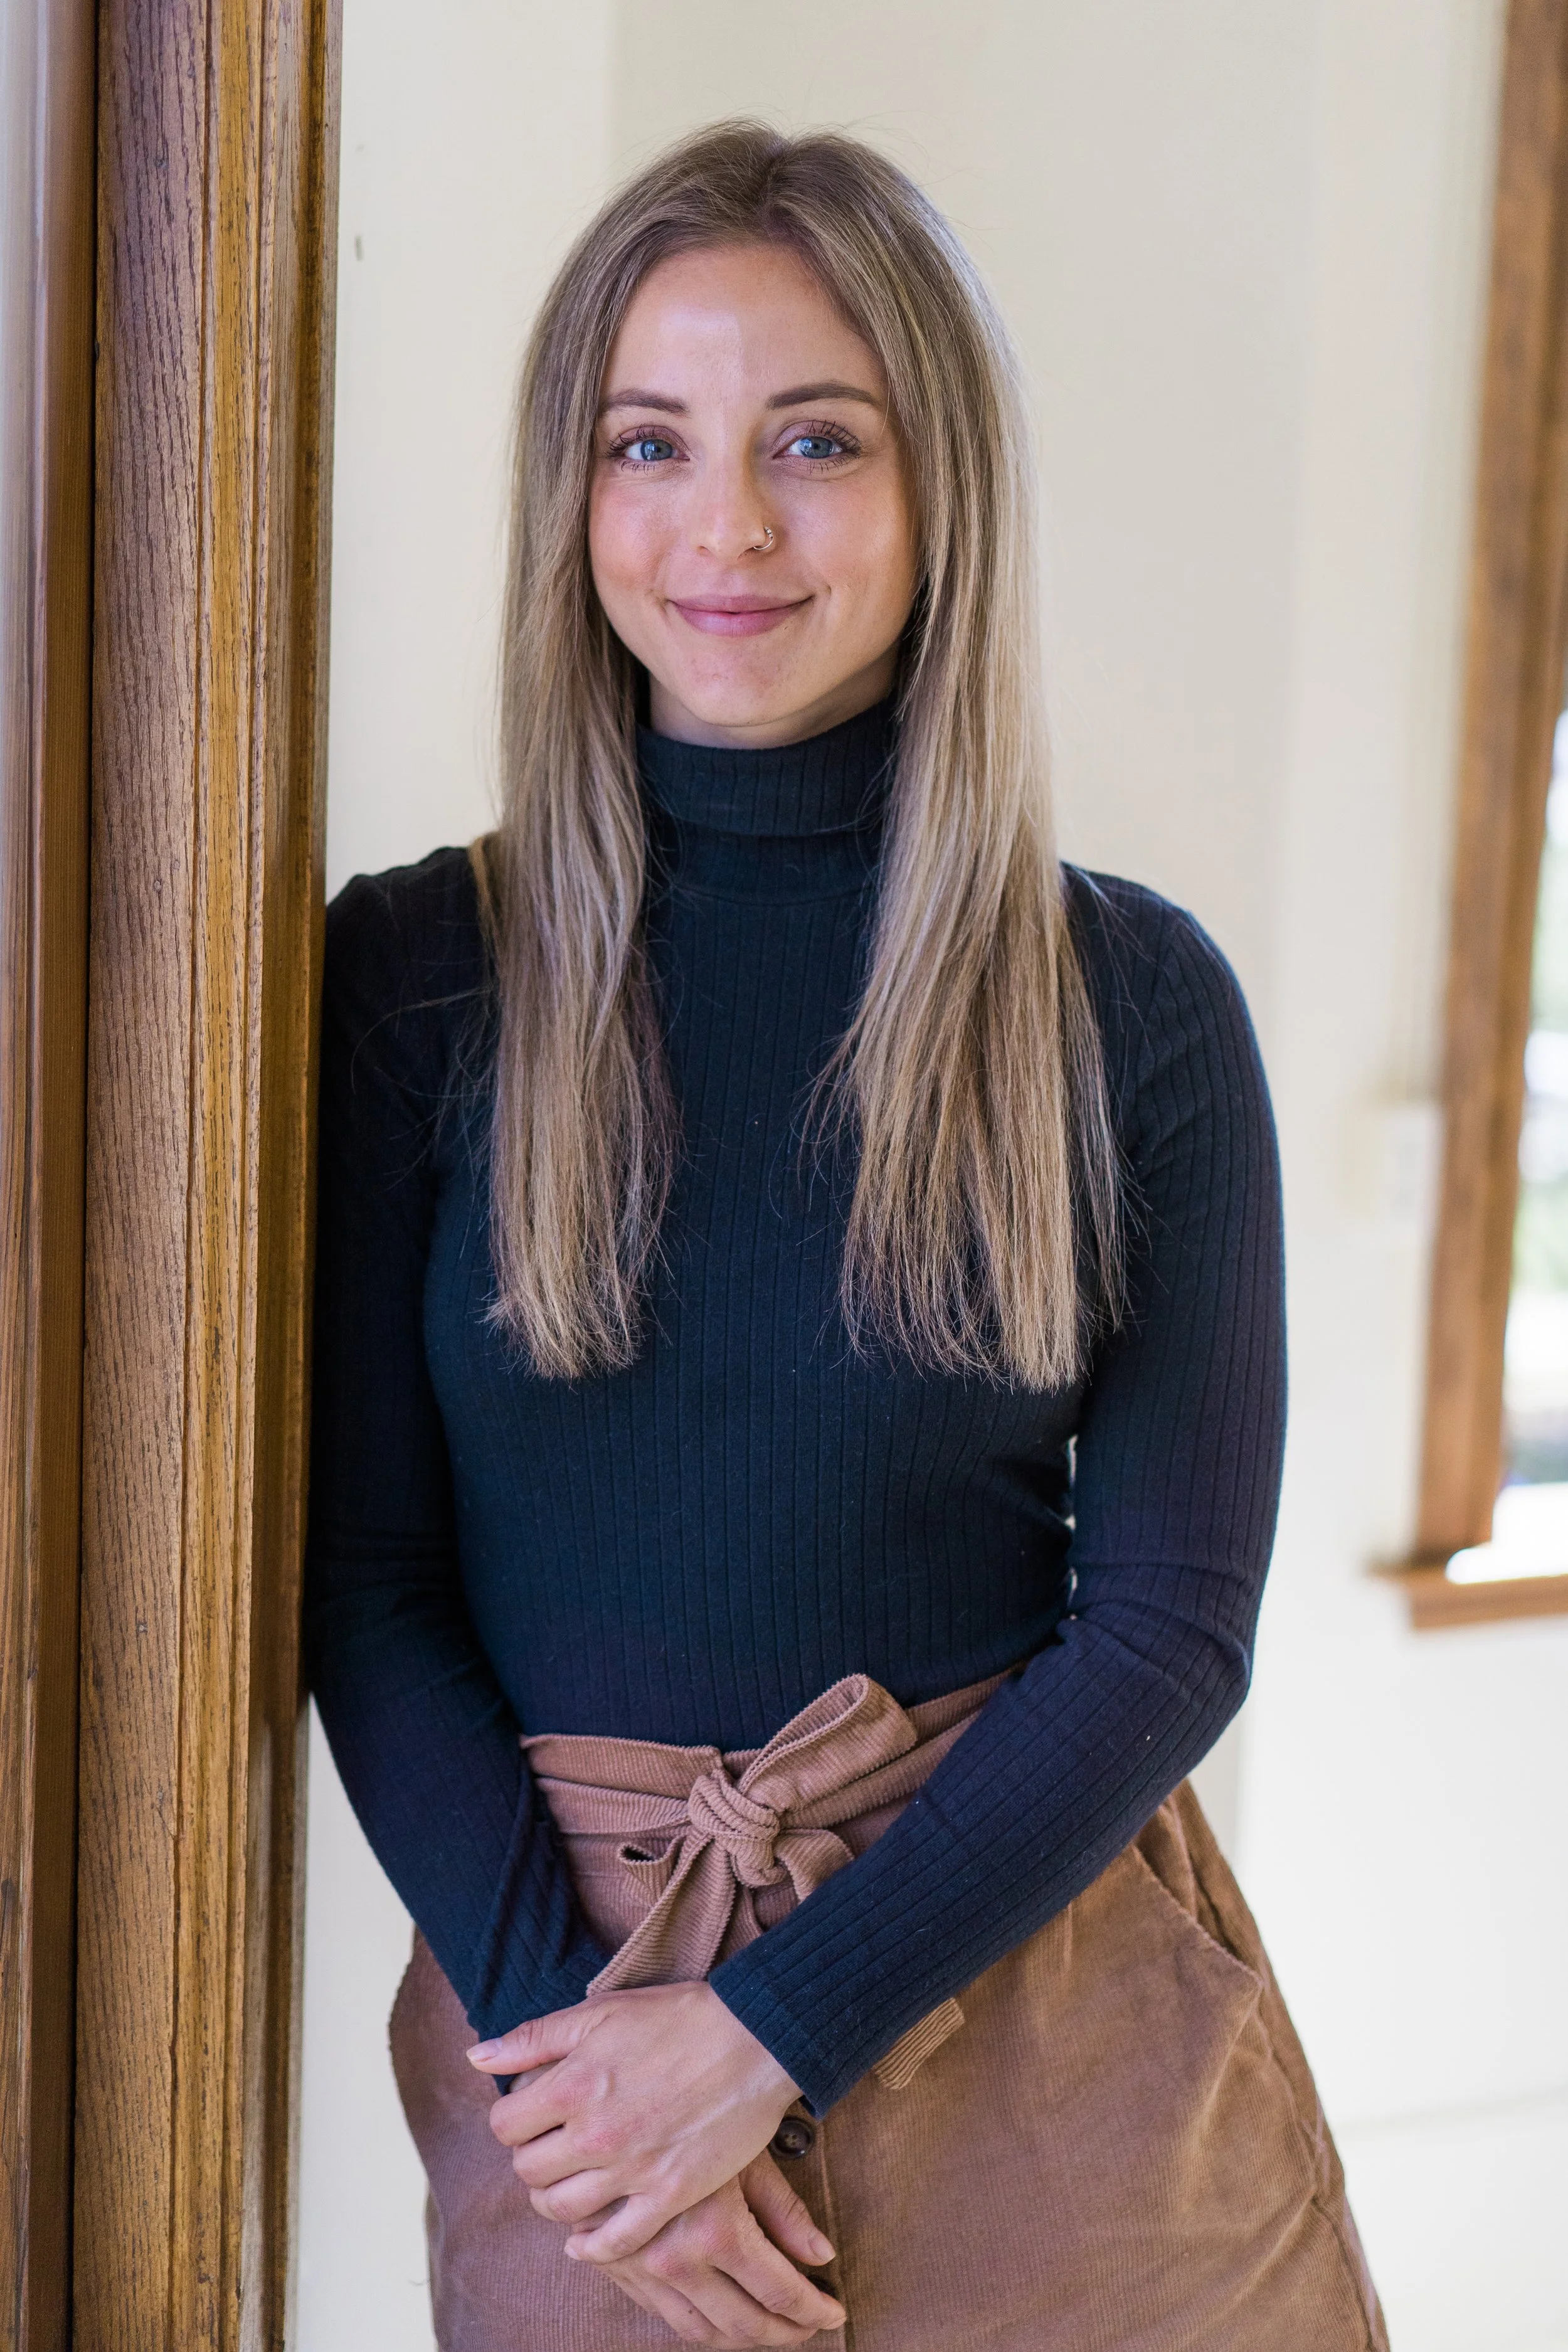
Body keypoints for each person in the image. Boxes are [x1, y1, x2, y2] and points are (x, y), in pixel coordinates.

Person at [306, 121, 1385, 2352]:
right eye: (647, 442)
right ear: (569, 493)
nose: (725, 525)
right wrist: (589, 2067)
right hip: (569, 2051)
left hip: (1034, 1997)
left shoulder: (1130, 1001)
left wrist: (773, 2030)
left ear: (940, 492)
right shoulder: (415, 978)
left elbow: (1171, 1628)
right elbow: (364, 1584)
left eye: (815, 438)